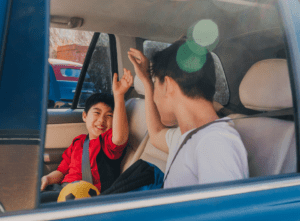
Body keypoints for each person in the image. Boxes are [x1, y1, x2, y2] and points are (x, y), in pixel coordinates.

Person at [128, 39, 249, 189]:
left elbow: (223, 211)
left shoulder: (214, 143)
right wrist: (147, 81)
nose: (154, 97)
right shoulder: (187, 135)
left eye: (156, 85)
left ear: (168, 85)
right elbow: (156, 133)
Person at [41, 69, 133, 193]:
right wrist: (47, 179)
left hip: (85, 195)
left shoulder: (107, 142)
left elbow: (119, 138)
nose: (101, 120)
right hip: (64, 189)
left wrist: (119, 96)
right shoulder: (78, 142)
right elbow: (62, 171)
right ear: (84, 116)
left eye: (109, 116)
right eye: (97, 113)